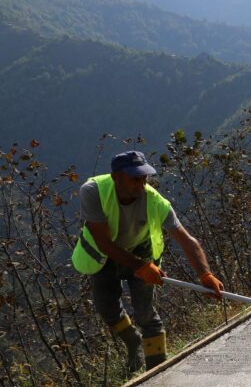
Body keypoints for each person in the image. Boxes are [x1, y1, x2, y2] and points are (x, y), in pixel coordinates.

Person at [71, 150, 224, 373]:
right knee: (107, 309)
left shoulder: (155, 201)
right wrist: (139, 266)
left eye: (145, 178)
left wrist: (205, 274)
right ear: (116, 177)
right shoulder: (93, 191)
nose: (141, 184)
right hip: (104, 255)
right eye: (135, 178)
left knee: (145, 313)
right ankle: (133, 341)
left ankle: (156, 371)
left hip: (141, 253)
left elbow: (187, 239)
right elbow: (102, 241)